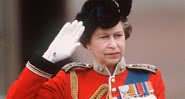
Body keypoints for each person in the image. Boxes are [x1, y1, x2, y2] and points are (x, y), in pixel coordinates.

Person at [7, 0, 165, 99]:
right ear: (87, 43)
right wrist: (48, 58)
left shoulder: (150, 78)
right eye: (104, 37)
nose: (113, 44)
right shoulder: (69, 80)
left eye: (118, 36)